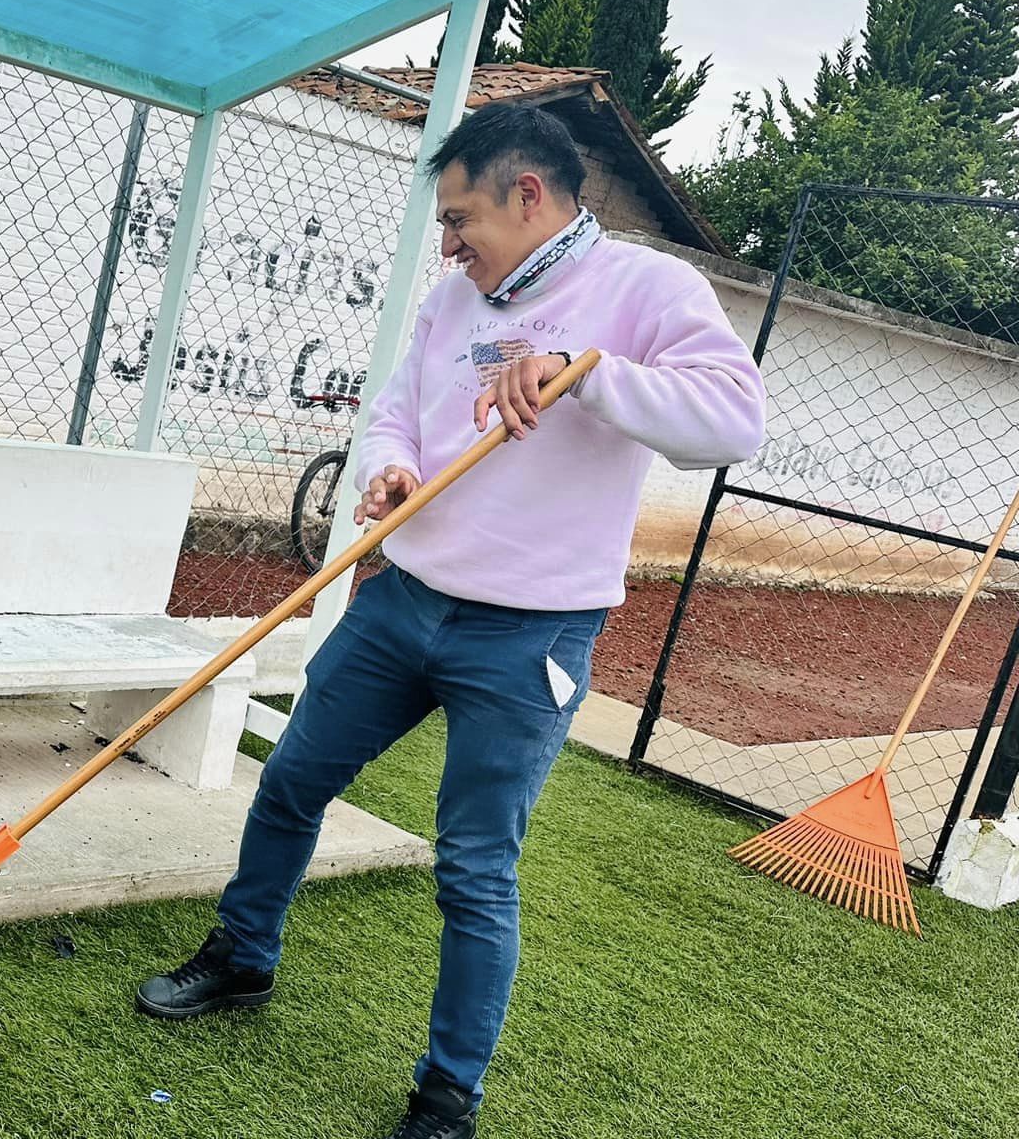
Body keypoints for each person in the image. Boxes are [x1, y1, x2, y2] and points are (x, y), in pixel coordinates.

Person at [133, 100, 767, 1139]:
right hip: (401, 603)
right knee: (290, 781)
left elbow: (731, 423)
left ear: (527, 195)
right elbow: (397, 408)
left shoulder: (643, 288)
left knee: (473, 866)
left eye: (460, 218)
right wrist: (391, 467)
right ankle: (242, 957)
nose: (449, 243)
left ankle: (445, 1097)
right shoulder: (450, 300)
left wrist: (590, 375)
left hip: (528, 637)